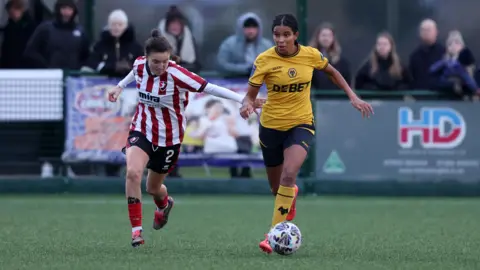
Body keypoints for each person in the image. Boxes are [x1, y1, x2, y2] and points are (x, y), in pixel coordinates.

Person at [107, 29, 264, 247]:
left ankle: (164, 204)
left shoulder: (177, 74)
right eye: (156, 62)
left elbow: (211, 88)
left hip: (169, 138)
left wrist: (245, 99)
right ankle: (136, 232)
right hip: (141, 130)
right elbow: (134, 72)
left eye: (165, 61)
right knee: (133, 174)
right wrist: (119, 87)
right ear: (147, 58)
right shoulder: (139, 64)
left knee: (154, 188)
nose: (161, 66)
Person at [239, 14, 373, 254]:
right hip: (270, 126)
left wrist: (353, 96)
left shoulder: (310, 55)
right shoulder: (264, 60)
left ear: (296, 35)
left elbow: (332, 72)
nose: (281, 40)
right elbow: (250, 95)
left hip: (301, 123)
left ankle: (273, 235)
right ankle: (289, 198)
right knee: (276, 188)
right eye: (277, 35)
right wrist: (247, 105)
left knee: (289, 175)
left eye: (286, 35)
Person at [83, 9, 143, 77]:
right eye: (113, 24)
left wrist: (129, 66)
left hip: (129, 84)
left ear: (125, 26)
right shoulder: (100, 45)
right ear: (109, 26)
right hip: (105, 83)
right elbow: (92, 62)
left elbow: (143, 64)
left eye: (120, 25)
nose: (116, 28)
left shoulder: (135, 46)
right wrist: (111, 67)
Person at [217, 12, 273, 77]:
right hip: (233, 81)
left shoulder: (266, 45)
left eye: (254, 27)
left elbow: (274, 65)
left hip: (261, 82)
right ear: (240, 28)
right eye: (247, 27)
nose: (251, 31)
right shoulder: (229, 44)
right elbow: (222, 65)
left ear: (259, 29)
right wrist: (246, 69)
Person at [308, 23, 351, 94]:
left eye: (329, 36)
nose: (326, 38)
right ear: (317, 37)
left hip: (336, 101)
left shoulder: (342, 63)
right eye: (323, 35)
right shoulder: (309, 59)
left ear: (333, 38)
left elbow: (347, 84)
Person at [409, 19, 445, 90]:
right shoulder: (414, 56)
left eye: (428, 30)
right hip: (420, 97)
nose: (425, 32)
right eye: (423, 30)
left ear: (436, 32)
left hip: (440, 98)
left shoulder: (444, 54)